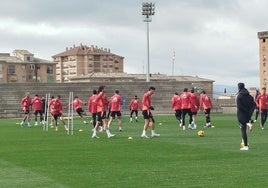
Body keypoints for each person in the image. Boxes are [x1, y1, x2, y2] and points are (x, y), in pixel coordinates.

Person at [236, 82, 255, 151]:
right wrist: (249, 113)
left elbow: (239, 107)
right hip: (248, 115)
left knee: (243, 130)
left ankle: (246, 146)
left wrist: (245, 112)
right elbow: (253, 105)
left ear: (238, 87)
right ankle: (249, 123)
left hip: (241, 115)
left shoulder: (239, 96)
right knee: (244, 126)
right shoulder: (250, 96)